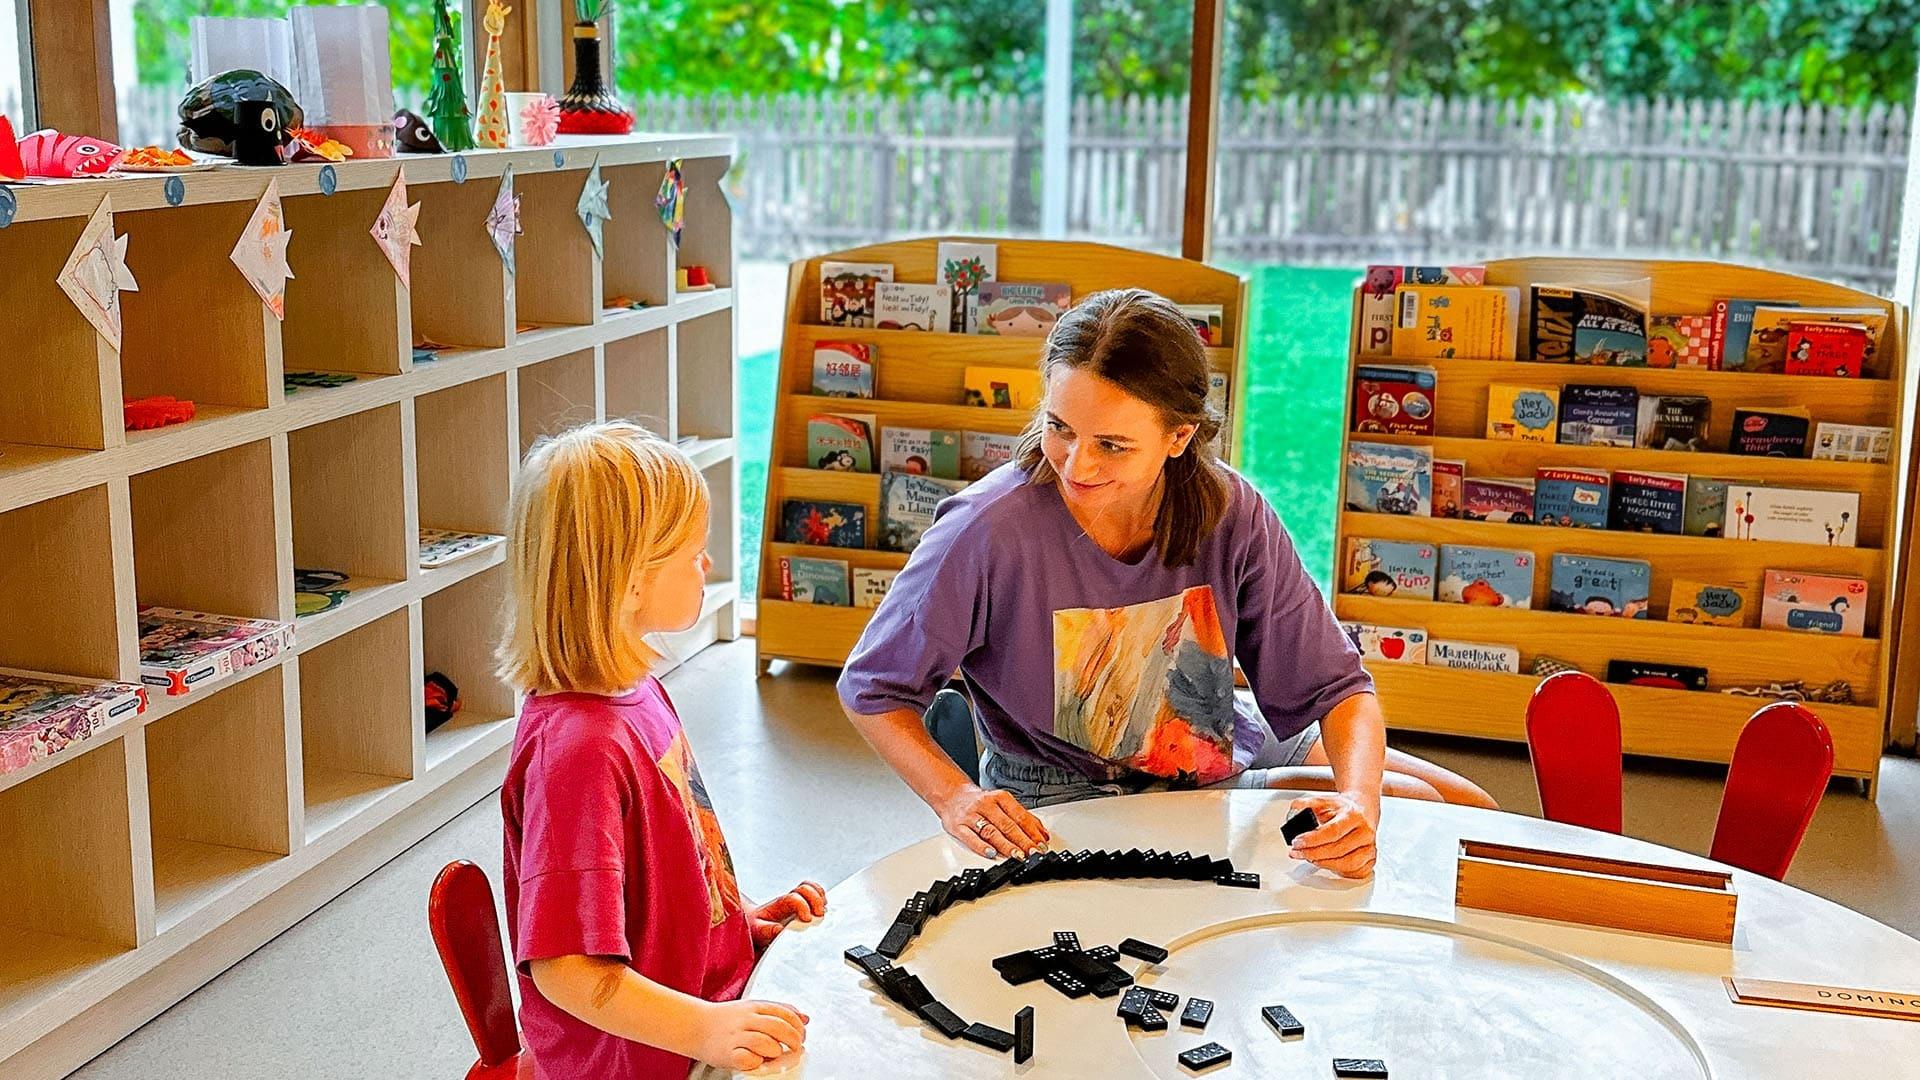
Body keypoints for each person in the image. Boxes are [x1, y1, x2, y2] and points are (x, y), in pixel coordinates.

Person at [839, 289, 1496, 881]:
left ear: (1179, 436)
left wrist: (1358, 802)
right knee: (1419, 806)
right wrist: (955, 796)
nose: (1076, 464)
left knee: (1472, 808)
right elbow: (872, 688)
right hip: (1073, 789)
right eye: (1060, 428)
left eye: (1112, 444)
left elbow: (1338, 687)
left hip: (1212, 738)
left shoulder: (1233, 511)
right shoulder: (984, 529)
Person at [496, 422, 825, 1076]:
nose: (707, 565)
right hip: (641, 1060)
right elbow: (567, 969)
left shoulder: (635, 688)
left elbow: (671, 871)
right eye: (692, 552)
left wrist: (737, 927)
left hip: (695, 1011)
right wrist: (706, 1028)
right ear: (630, 582)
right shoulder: (578, 755)